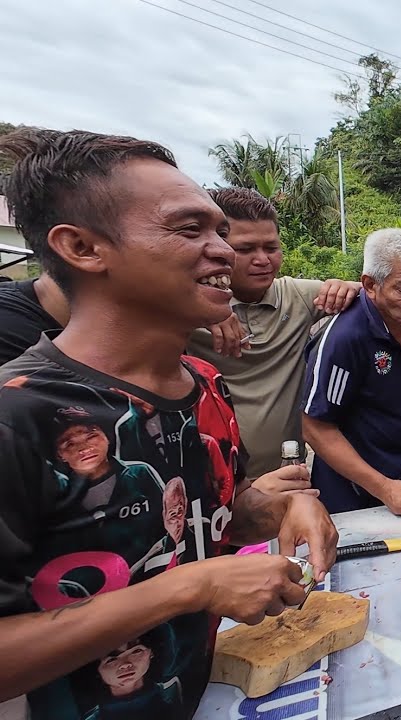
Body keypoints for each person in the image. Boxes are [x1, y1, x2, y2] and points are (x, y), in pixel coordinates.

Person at [0, 128, 337, 720]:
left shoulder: (205, 385)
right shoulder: (19, 416)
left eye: (220, 232)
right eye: (188, 229)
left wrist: (278, 508)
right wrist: (192, 588)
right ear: (81, 247)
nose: (224, 252)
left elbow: (205, 527)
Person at [186, 188, 361, 481]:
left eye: (271, 248)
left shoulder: (298, 296)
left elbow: (376, 295)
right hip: (214, 482)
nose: (262, 260)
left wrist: (346, 286)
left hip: (286, 472)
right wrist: (203, 309)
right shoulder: (182, 308)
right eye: (244, 249)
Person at [301, 228, 401, 515]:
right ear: (370, 285)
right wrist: (383, 487)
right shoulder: (345, 337)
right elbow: (315, 427)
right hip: (350, 491)